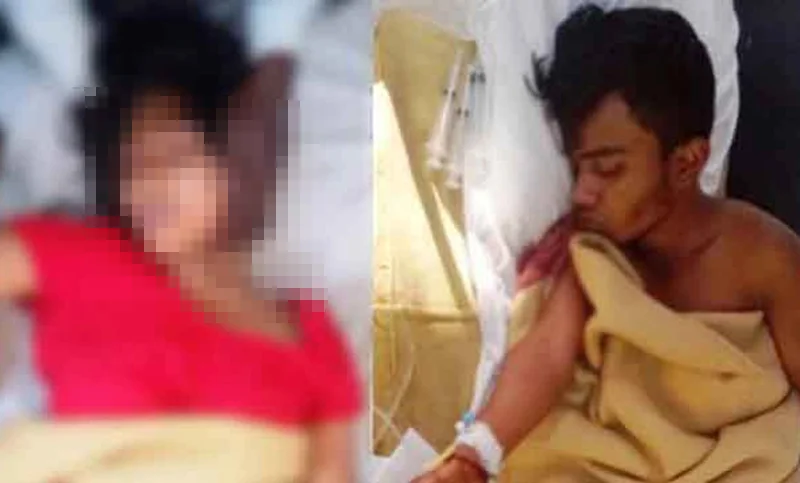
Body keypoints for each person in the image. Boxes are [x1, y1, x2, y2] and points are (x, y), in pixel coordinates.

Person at [415, 5, 800, 482]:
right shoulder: (594, 254)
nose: (582, 192)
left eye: (608, 169)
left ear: (686, 163)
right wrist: (474, 457)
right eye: (578, 168)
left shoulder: (764, 256)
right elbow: (548, 353)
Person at [0, 8, 361, 482]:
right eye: (131, 165)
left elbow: (333, 471)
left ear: (230, 162)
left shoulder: (310, 329)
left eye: (174, 155)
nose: (149, 182)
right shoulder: (75, 254)